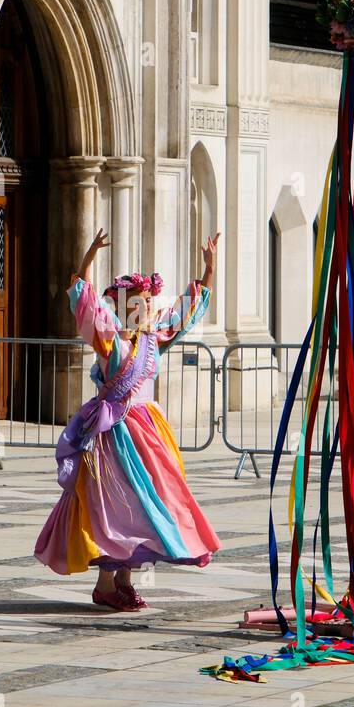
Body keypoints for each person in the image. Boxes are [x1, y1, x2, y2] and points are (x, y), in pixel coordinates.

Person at [34, 228, 223, 611]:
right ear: (122, 308)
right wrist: (88, 258)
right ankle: (106, 583)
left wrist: (209, 268)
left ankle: (125, 579)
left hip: (148, 434)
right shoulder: (111, 342)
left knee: (149, 503)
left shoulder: (155, 340)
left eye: (149, 303)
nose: (147, 310)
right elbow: (83, 302)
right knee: (113, 505)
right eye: (138, 304)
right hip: (113, 434)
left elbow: (186, 312)